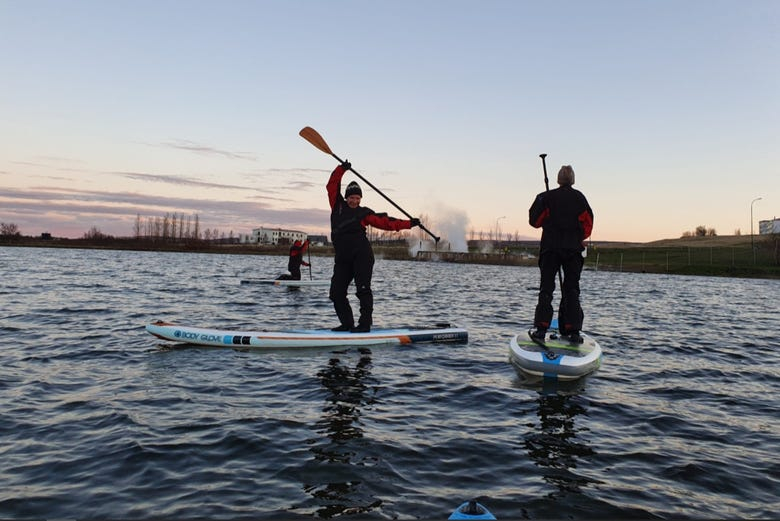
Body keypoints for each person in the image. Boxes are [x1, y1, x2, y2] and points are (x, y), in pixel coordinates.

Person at [327, 160, 420, 332]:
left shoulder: (364, 213)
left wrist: (408, 224)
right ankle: (347, 323)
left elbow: (386, 222)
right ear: (346, 197)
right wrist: (341, 169)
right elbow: (332, 185)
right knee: (336, 293)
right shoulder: (337, 205)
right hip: (342, 259)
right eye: (351, 197)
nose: (354, 201)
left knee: (363, 290)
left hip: (361, 255)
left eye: (357, 198)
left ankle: (364, 325)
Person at [528, 165, 593, 344]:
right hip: (573, 251)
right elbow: (588, 225)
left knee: (546, 288)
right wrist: (576, 236)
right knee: (571, 289)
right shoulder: (580, 199)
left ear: (558, 179)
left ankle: (541, 329)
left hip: (550, 249)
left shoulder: (546, 197)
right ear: (572, 179)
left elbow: (534, 221)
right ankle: (572, 331)